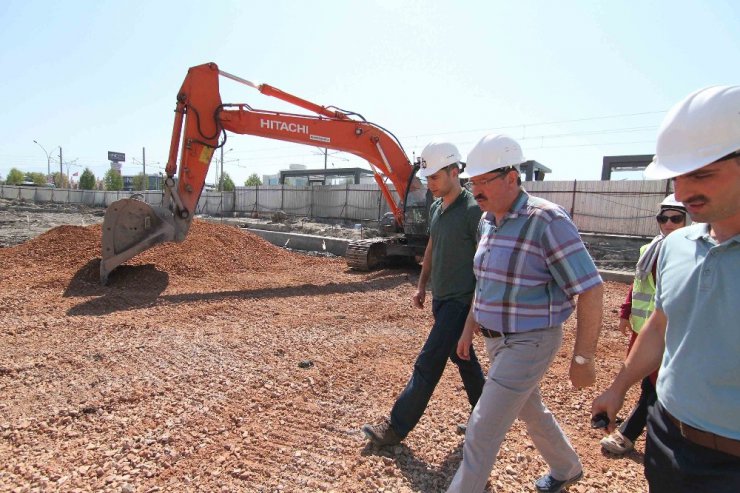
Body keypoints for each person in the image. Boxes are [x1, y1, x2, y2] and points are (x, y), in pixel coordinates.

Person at [592, 85, 740, 492]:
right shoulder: (674, 247)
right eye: (678, 174)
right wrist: (618, 387)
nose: (682, 191)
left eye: (702, 173)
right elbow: (659, 326)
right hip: (667, 441)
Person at [447, 134, 604, 493]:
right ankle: (566, 468)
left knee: (482, 427)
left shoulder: (546, 220)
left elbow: (591, 287)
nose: (477, 189)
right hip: (496, 341)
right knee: (529, 408)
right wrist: (469, 328)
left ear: (512, 178)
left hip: (530, 341)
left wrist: (584, 357)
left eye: (484, 181)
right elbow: (485, 282)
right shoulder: (488, 221)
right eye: (474, 182)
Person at [362, 142, 486, 446]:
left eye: (434, 178)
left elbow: (486, 265)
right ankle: (486, 417)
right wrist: (421, 285)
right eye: (427, 177)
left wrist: (475, 312)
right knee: (463, 358)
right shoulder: (435, 207)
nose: (428, 184)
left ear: (454, 172)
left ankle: (395, 427)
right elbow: (432, 247)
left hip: (460, 301)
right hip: (441, 299)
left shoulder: (473, 212)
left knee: (428, 362)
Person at [600, 194, 688, 455]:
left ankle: (630, 434)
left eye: (676, 218)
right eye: (664, 218)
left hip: (670, 331)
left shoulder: (690, 255)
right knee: (651, 383)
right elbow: (638, 284)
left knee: (657, 385)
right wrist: (626, 312)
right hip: (646, 330)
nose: (669, 223)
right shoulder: (650, 249)